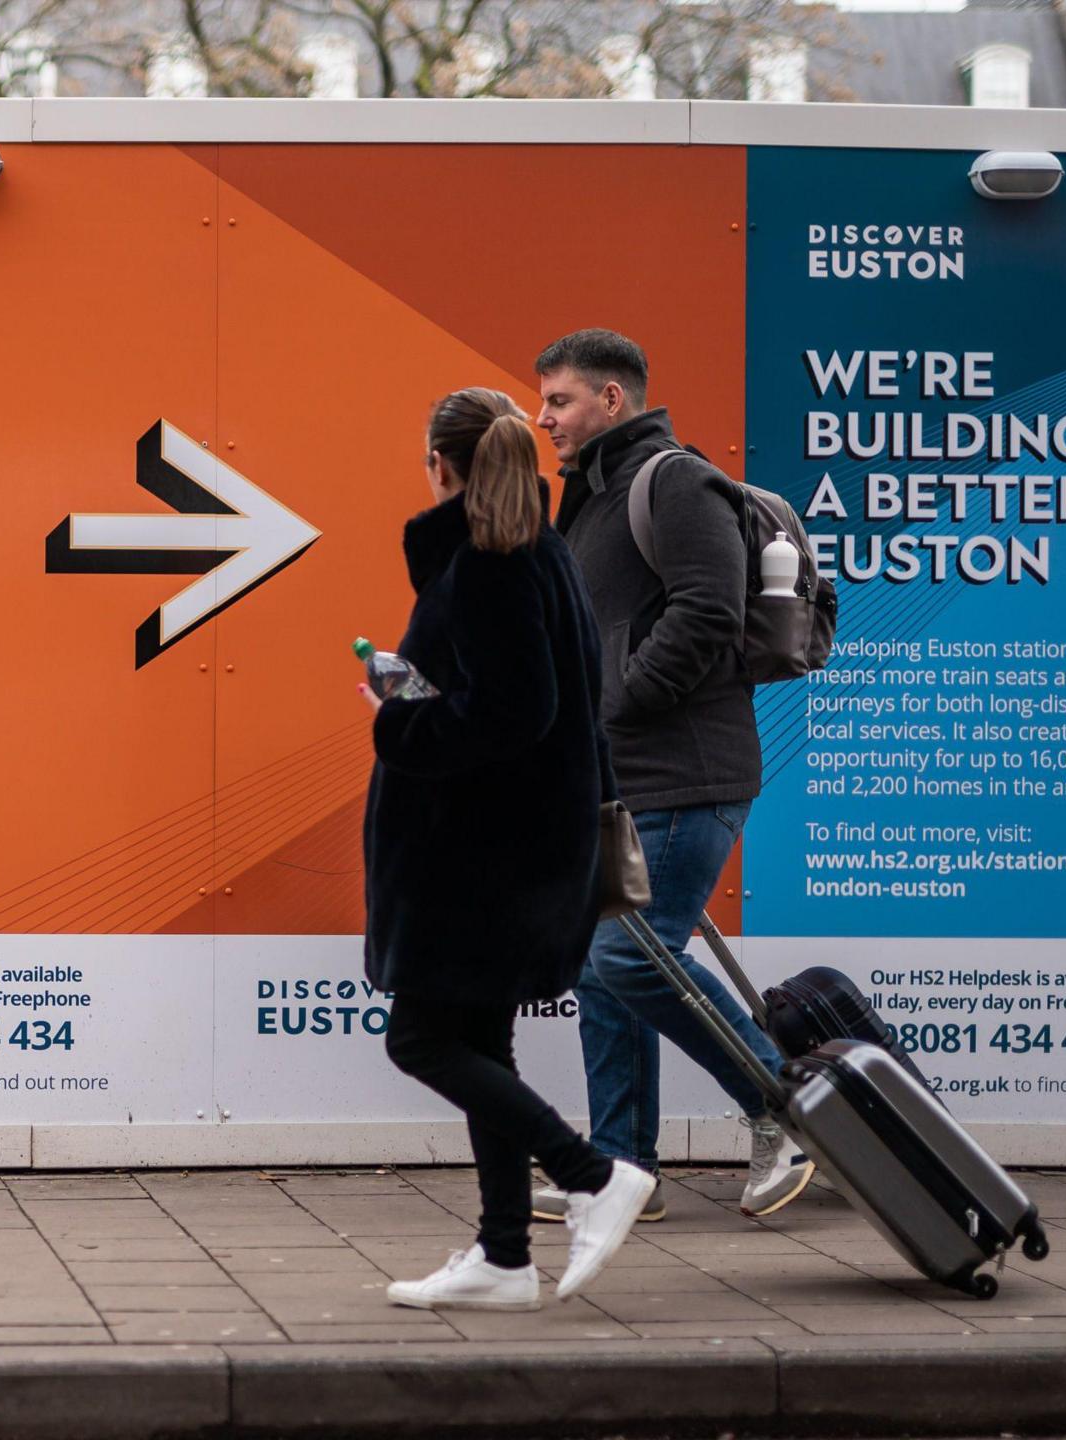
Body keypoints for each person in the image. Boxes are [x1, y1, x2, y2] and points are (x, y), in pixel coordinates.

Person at [364, 387, 655, 1311]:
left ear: (440, 467)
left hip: (479, 859)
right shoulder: (541, 552)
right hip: (517, 850)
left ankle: (593, 1175)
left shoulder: (488, 567)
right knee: (481, 1040)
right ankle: (502, 1258)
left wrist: (399, 722)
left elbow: (512, 713)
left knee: (420, 1038)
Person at [530, 329, 813, 1224]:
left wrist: (618, 704)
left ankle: (785, 1109)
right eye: (542, 403)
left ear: (613, 400)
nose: (544, 419)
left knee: (629, 957)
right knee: (600, 969)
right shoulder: (584, 502)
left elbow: (708, 612)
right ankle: (621, 1171)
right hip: (619, 784)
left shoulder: (675, 481)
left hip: (691, 775)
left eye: (560, 401)